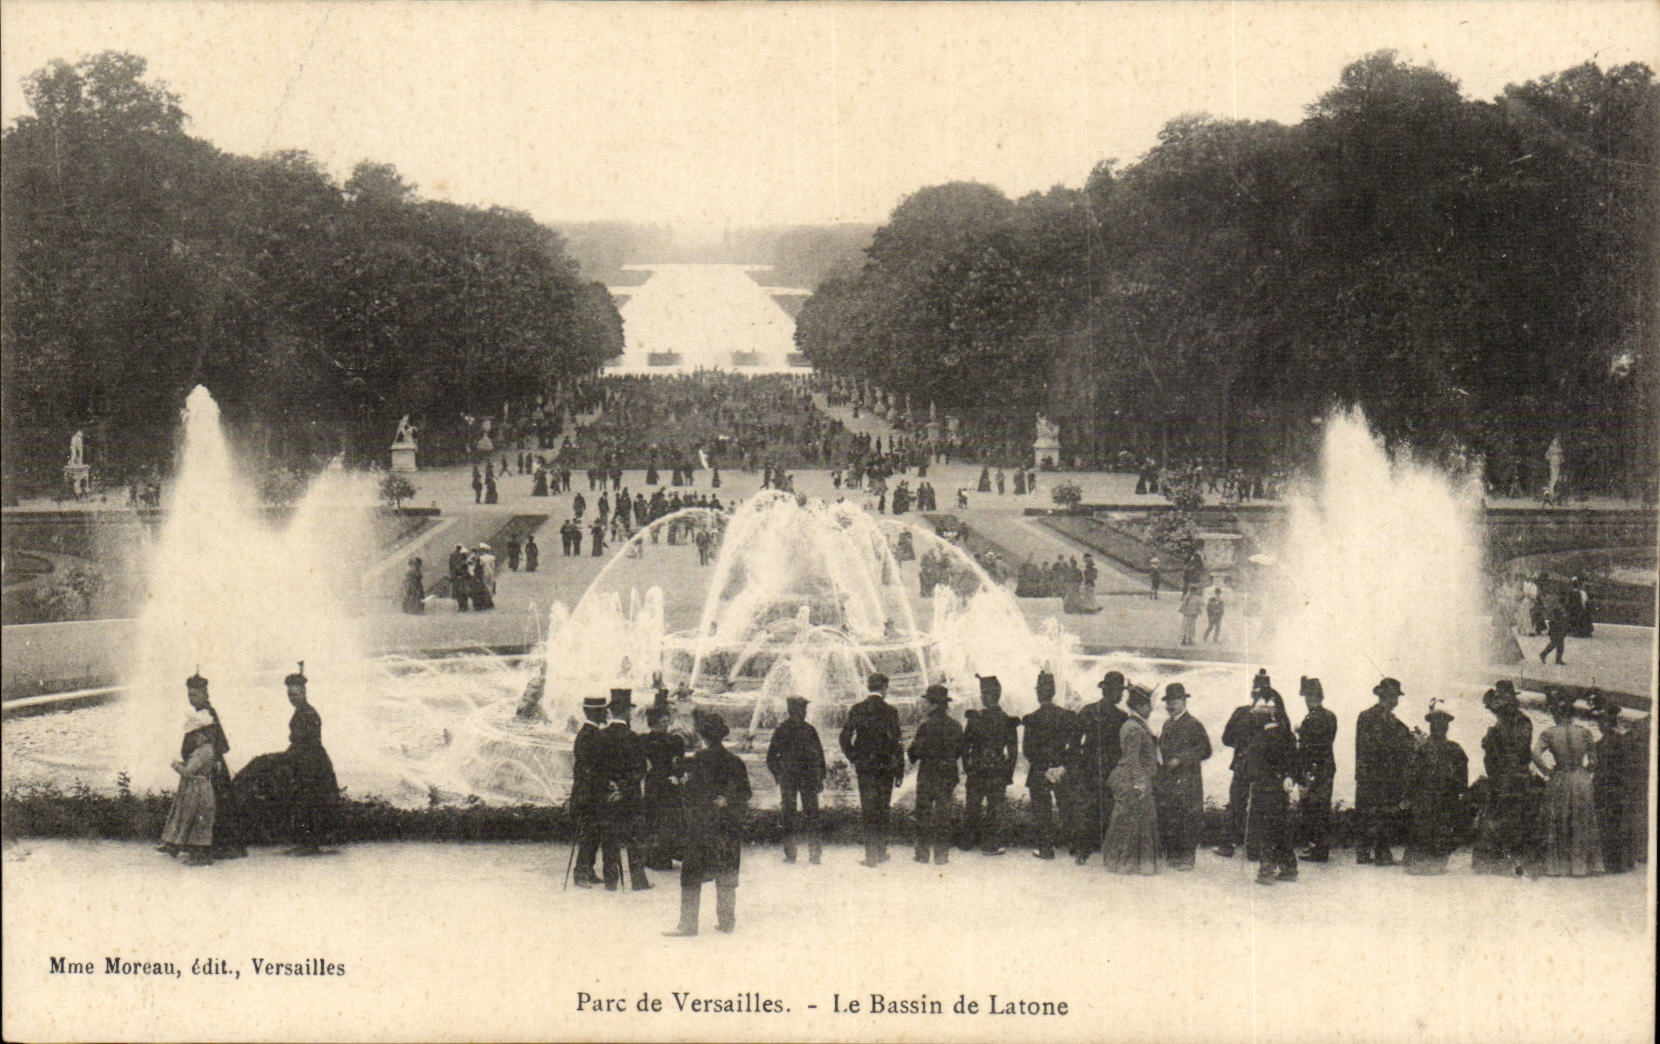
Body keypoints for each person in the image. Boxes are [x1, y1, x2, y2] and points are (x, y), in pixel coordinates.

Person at [666, 713, 751, 936]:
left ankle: (688, 924)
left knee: (691, 875)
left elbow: (690, 796)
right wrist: (728, 802)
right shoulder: (735, 761)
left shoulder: (697, 762)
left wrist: (681, 784)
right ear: (721, 736)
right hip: (726, 828)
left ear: (702, 735)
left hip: (702, 828)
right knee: (726, 875)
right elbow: (745, 793)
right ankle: (726, 922)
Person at [1531, 691, 1603, 877]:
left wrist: (1546, 771)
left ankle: (1557, 867)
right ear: (1571, 715)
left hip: (1560, 777)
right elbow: (1594, 761)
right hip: (1580, 778)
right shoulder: (1584, 733)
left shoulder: (1550, 733)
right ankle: (1580, 866)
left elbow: (1535, 754)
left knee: (1559, 819)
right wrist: (1586, 771)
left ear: (1556, 714)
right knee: (1581, 819)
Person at [1472, 681, 1537, 875]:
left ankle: (1506, 861)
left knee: (1510, 819)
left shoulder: (1520, 722)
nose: (1497, 706)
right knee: (1497, 817)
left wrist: (1492, 742)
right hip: (1501, 777)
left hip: (1512, 778)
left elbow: (1519, 751)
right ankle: (1494, 860)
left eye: (1503, 700)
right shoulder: (1504, 721)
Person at [840, 672, 905, 867]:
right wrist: (899, 771)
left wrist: (854, 757)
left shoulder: (858, 709)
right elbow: (897, 744)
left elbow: (844, 737)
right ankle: (882, 852)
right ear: (884, 688)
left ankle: (870, 856)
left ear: (869, 687)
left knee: (868, 810)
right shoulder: (891, 711)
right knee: (883, 809)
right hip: (885, 768)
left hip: (865, 768)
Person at [185, 672, 246, 860]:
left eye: (195, 694)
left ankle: (223, 845)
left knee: (217, 804)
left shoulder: (208, 713)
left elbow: (217, 740)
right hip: (205, 764)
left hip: (213, 766)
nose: (191, 698)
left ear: (205, 694)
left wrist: (213, 760)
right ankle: (213, 844)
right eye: (189, 695)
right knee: (211, 804)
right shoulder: (198, 714)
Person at [1403, 700, 1469, 876]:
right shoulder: (1421, 748)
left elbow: (1462, 780)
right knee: (1421, 828)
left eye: (1443, 723)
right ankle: (1418, 861)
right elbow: (1411, 774)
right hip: (1423, 800)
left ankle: (1437, 860)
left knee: (1442, 830)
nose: (1439, 726)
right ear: (1430, 725)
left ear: (1447, 726)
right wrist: (1408, 796)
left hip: (1445, 801)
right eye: (1435, 722)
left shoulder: (1455, 750)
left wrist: (1457, 794)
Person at [1071, 672, 1129, 865]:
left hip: (1088, 765)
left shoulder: (1087, 711)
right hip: (1110, 767)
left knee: (1085, 807)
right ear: (1113, 691)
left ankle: (1082, 850)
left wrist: (1079, 763)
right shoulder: (1122, 717)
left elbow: (1074, 742)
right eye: (1120, 691)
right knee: (1109, 807)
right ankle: (1108, 849)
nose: (1121, 695)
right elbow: (1124, 747)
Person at [1102, 687, 1162, 875]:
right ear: (1140, 706)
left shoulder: (1136, 725)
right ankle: (1127, 863)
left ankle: (1127, 862)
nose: (1151, 710)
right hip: (1131, 780)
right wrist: (1140, 782)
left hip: (1134, 777)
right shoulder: (1134, 728)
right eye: (1148, 706)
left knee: (1134, 820)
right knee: (1133, 820)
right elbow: (1131, 759)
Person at [1355, 678, 1414, 866]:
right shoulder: (1369, 717)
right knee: (1377, 813)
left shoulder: (1390, 720)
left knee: (1373, 813)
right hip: (1374, 774)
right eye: (1395, 697)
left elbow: (1405, 741)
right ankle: (1378, 853)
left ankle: (1369, 852)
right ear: (1387, 697)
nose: (1396, 701)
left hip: (1377, 775)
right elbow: (1374, 746)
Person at [1242, 690, 1300, 884]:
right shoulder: (1288, 737)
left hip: (1264, 789)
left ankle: (1266, 870)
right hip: (1281, 789)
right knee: (1281, 827)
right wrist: (1289, 778)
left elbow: (1252, 768)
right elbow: (1294, 763)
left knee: (1265, 829)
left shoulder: (1259, 739)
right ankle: (1288, 867)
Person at [1020, 671, 1077, 860]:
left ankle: (1045, 849)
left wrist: (1044, 768)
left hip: (1039, 771)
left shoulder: (1032, 718)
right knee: (1067, 808)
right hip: (1061, 770)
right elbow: (1073, 746)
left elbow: (1028, 750)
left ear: (1038, 694)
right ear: (1053, 692)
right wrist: (1061, 765)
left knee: (1042, 812)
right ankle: (1074, 846)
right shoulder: (1067, 716)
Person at [282, 664, 338, 856]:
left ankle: (310, 844)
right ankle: (305, 842)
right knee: (302, 802)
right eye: (289, 694)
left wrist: (293, 755)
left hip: (312, 763)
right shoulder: (301, 712)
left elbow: (308, 740)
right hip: (304, 760)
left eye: (295, 693)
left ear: (304, 692)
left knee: (310, 801)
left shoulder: (308, 713)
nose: (292, 697)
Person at [1155, 683, 1212, 869]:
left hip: (1188, 780)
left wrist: (1181, 759)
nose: (1170, 705)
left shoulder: (1194, 724)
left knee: (1189, 816)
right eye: (1168, 701)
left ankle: (1188, 857)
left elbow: (1206, 750)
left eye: (1174, 701)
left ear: (1184, 701)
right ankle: (1174, 853)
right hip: (1170, 778)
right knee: (1171, 814)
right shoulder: (1167, 723)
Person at [600, 689, 651, 892]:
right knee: (635, 838)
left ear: (611, 711)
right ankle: (638, 881)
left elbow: (594, 767)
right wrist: (624, 789)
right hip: (630, 797)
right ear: (627, 712)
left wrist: (610, 785)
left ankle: (611, 881)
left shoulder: (601, 736)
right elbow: (641, 770)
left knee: (609, 837)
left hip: (607, 796)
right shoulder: (635, 739)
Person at [960, 675, 1017, 855]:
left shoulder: (975, 719)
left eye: (985, 694)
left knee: (972, 807)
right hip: (997, 771)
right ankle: (990, 845)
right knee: (994, 809)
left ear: (991, 696)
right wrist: (1008, 773)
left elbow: (964, 746)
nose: (983, 697)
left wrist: (967, 767)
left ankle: (967, 842)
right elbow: (1013, 752)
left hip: (976, 770)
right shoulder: (1007, 720)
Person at [909, 684, 965, 865]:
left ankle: (922, 854)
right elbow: (959, 751)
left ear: (933, 705)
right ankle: (941, 856)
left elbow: (913, 754)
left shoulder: (925, 726)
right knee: (943, 815)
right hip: (947, 774)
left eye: (926, 702)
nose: (924, 705)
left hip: (928, 774)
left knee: (923, 814)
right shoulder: (956, 726)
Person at [1216, 672, 1270, 858]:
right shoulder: (1274, 714)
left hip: (1242, 763)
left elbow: (1226, 739)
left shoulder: (1241, 712)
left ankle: (1228, 844)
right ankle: (1253, 849)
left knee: (1237, 803)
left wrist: (1242, 746)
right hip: (1260, 766)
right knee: (1256, 805)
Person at [766, 696, 826, 865]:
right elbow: (771, 758)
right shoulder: (803, 730)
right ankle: (807, 854)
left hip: (797, 779)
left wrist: (779, 775)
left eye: (804, 709)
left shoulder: (787, 729)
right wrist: (820, 777)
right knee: (805, 814)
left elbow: (771, 758)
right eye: (801, 709)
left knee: (797, 814)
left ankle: (799, 853)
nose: (803, 712)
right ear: (793, 711)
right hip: (801, 779)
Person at [159, 708, 220, 865]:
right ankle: (192, 852)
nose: (194, 739)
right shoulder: (207, 750)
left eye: (197, 735)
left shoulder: (202, 752)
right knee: (196, 820)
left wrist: (175, 765)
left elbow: (188, 772)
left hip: (197, 789)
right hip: (199, 788)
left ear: (203, 735)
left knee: (197, 819)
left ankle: (199, 856)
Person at [1589, 694, 1636, 874]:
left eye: (1602, 722)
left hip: (1606, 786)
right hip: (1616, 787)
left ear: (1607, 724)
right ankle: (1618, 862)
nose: (1600, 725)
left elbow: (1600, 767)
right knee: (1615, 823)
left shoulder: (1603, 744)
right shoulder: (1620, 741)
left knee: (1606, 823)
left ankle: (1610, 861)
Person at [1295, 677, 1338, 862]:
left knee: (1312, 809)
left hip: (1314, 768)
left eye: (1307, 696)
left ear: (1312, 696)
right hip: (1327, 766)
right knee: (1322, 807)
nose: (1306, 700)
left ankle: (1317, 848)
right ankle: (1321, 847)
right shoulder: (1330, 716)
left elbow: (1309, 747)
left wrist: (1299, 733)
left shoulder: (1311, 719)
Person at [641, 704, 685, 872]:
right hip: (656, 785)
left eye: (667, 720)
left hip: (667, 786)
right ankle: (653, 857)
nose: (666, 722)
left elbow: (678, 762)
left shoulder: (674, 740)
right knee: (655, 819)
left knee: (668, 821)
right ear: (654, 722)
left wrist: (677, 775)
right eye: (662, 720)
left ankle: (664, 856)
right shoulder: (646, 740)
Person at [571, 695, 609, 888]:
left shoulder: (589, 733)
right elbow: (586, 768)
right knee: (588, 833)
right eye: (603, 710)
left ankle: (589, 870)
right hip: (588, 794)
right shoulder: (589, 735)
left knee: (594, 833)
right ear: (596, 712)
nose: (606, 712)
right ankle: (580, 874)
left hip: (592, 792)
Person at [1539, 596, 1570, 665]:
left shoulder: (1559, 608)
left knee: (1557, 644)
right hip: (1557, 629)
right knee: (1555, 644)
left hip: (1557, 628)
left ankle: (1555, 658)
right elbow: (1557, 620)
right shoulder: (1559, 609)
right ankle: (1545, 655)